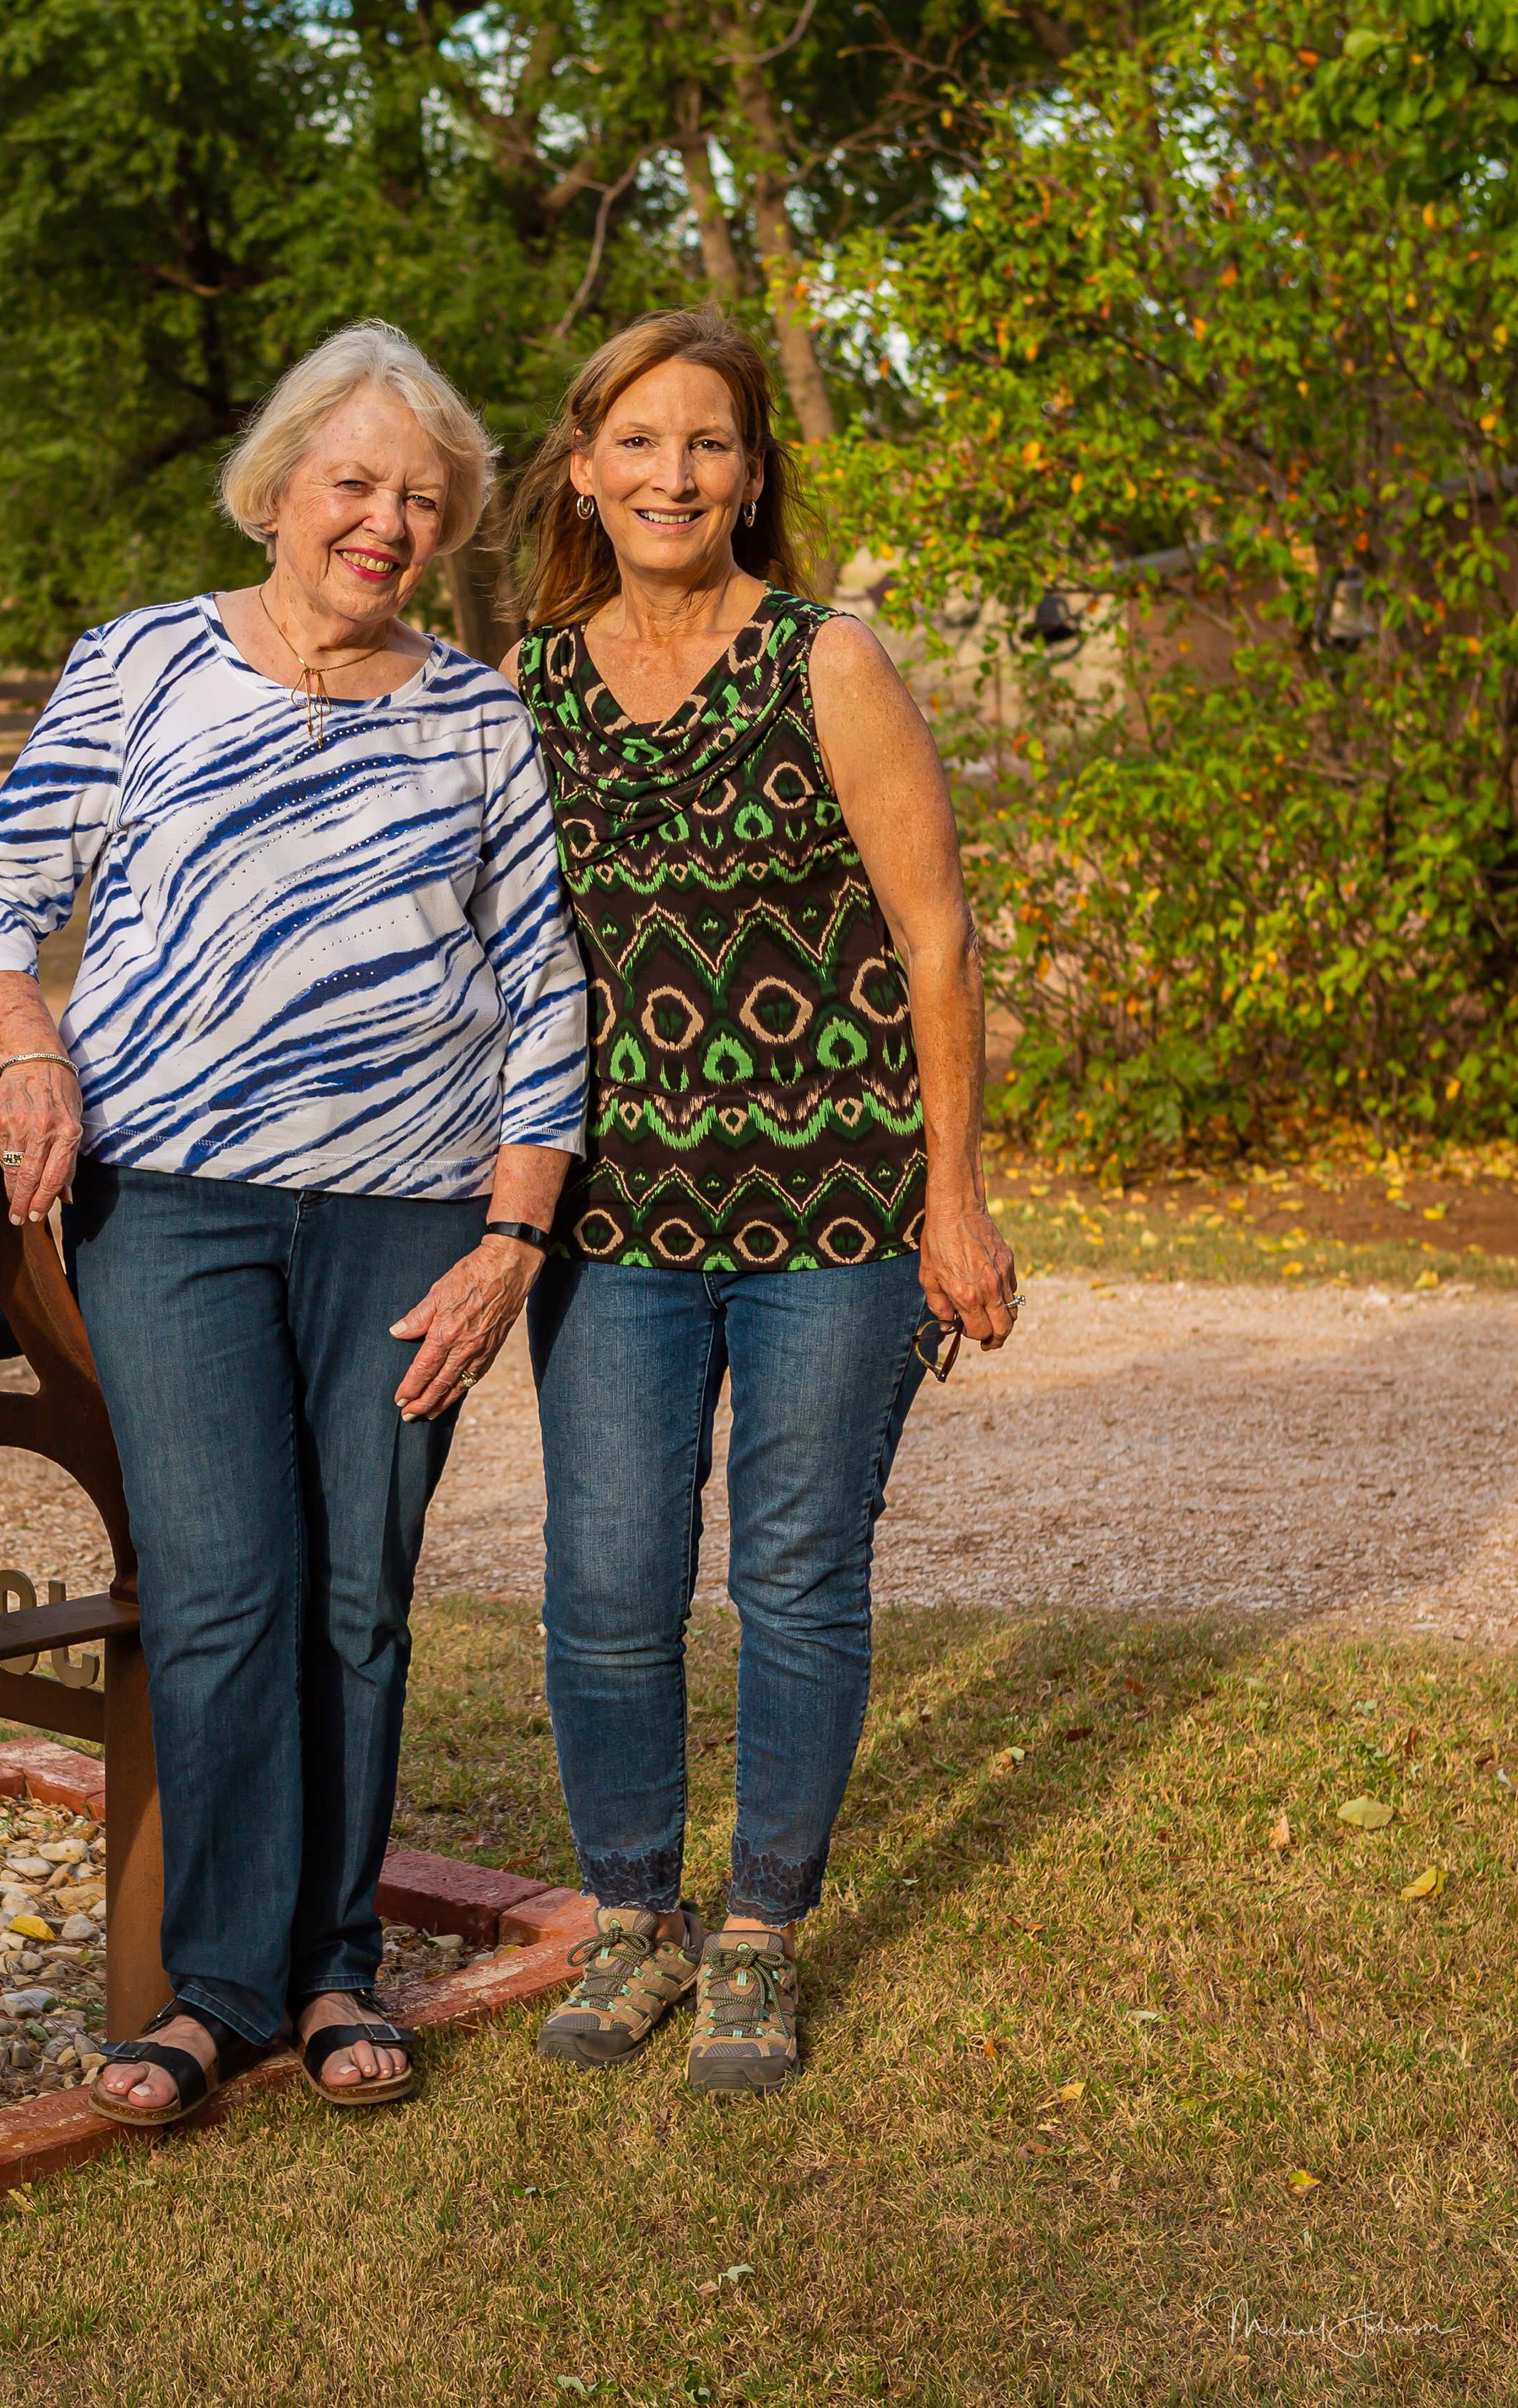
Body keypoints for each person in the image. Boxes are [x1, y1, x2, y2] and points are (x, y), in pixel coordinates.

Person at [0, 321, 585, 2123]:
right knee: (227, 1589)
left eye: (422, 499)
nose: (385, 522)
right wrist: (28, 1040)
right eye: (355, 483)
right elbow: (0, 880)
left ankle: (334, 1960)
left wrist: (514, 1233)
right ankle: (214, 1985)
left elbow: (545, 982)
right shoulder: (142, 661)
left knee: (359, 1597)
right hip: (176, 1207)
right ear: (282, 487)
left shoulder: (480, 714)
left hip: (412, 1217)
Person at [507, 309, 1019, 2095]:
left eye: (708, 442)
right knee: (607, 1586)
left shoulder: (830, 660)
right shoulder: (530, 685)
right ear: (583, 467)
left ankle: (757, 1939)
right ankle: (634, 1918)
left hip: (839, 1212)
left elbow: (936, 934)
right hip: (614, 1220)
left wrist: (955, 1196)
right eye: (637, 442)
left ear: (752, 473)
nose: (673, 474)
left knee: (798, 1581)